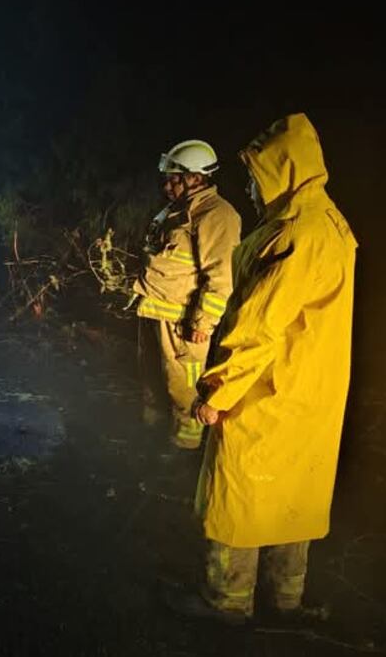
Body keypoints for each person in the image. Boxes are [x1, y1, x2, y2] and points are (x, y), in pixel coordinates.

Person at [174, 113, 357, 623]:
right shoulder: (327, 223)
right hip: (310, 393)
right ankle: (286, 600)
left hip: (268, 391)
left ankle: (227, 602)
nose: (252, 189)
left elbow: (258, 324)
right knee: (292, 495)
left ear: (285, 170)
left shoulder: (295, 234)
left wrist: (217, 392)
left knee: (240, 497)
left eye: (257, 178)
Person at [132, 140, 241, 449]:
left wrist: (203, 323)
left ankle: (184, 453)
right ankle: (150, 441)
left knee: (184, 392)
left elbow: (221, 277)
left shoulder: (217, 215)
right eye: (167, 178)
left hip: (183, 326)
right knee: (153, 384)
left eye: (175, 179)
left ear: (197, 177)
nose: (167, 185)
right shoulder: (177, 211)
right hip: (154, 312)